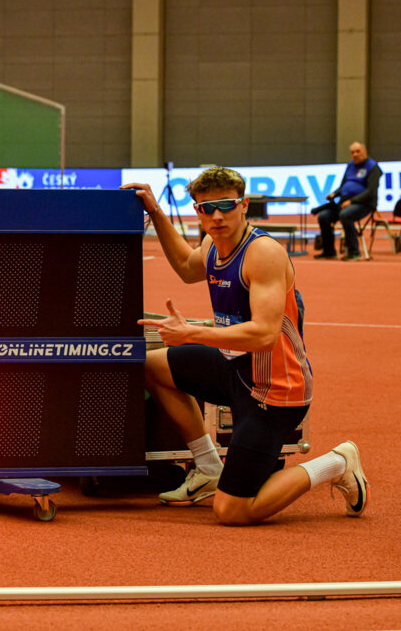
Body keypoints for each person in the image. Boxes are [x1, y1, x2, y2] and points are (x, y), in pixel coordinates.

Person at [122, 167, 368, 525]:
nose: (218, 216)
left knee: (232, 511)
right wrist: (157, 213)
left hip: (274, 393)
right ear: (198, 212)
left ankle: (337, 462)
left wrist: (191, 333)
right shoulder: (212, 243)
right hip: (234, 370)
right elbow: (187, 267)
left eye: (226, 205)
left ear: (244, 205)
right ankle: (208, 469)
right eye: (207, 208)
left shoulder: (262, 253)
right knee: (151, 366)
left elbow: (264, 335)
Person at [314, 142, 381, 261]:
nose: (355, 154)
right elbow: (344, 186)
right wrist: (335, 193)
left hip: (364, 204)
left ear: (365, 152)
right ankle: (329, 251)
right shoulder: (350, 165)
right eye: (352, 152)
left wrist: (352, 201)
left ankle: (354, 252)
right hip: (344, 202)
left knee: (345, 215)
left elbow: (370, 191)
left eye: (358, 151)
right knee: (323, 216)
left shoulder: (373, 167)